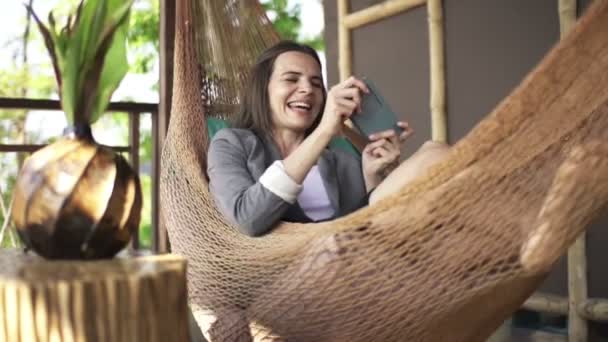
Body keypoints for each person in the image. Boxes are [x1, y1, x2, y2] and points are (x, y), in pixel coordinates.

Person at [207, 41, 449, 237]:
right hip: (293, 264)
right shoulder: (231, 143)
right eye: (292, 79)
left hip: (356, 250)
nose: (308, 89)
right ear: (263, 90)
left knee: (435, 152)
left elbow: (369, 217)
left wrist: (372, 175)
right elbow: (247, 219)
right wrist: (324, 131)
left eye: (315, 83)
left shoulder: (340, 155)